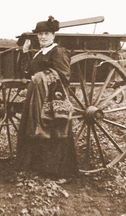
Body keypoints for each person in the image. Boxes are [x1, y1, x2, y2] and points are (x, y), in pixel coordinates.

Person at [15, 16, 79, 177]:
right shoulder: (38, 54)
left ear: (53, 35)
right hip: (37, 96)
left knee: (53, 130)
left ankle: (57, 171)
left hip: (52, 98)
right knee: (35, 127)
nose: (43, 37)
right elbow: (29, 72)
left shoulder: (58, 51)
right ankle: (38, 167)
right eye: (40, 34)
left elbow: (64, 75)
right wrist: (24, 53)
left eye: (46, 33)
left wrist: (41, 77)